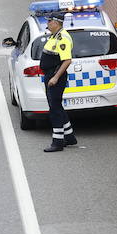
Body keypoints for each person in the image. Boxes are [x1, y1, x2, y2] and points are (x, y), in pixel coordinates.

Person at [40, 12, 77, 152]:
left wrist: (55, 77)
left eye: (49, 21)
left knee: (54, 109)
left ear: (56, 22)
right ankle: (69, 136)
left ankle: (57, 142)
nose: (47, 23)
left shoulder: (62, 38)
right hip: (50, 75)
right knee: (57, 106)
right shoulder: (55, 36)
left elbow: (67, 60)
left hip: (55, 77)